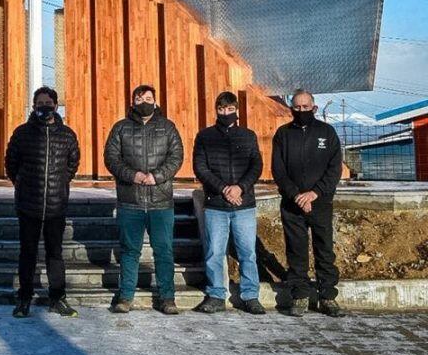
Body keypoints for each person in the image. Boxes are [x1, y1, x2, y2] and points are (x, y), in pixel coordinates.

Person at [103, 84, 184, 315]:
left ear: (156, 102)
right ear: (132, 102)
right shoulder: (121, 128)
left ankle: (167, 297)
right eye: (139, 99)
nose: (144, 102)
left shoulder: (168, 127)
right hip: (131, 201)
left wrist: (156, 176)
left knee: (164, 251)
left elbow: (177, 156)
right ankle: (125, 296)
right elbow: (111, 158)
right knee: (130, 251)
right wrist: (134, 175)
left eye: (148, 98)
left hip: (161, 201)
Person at [5, 86, 81, 318]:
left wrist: (59, 184)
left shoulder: (67, 135)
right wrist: (22, 184)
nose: (44, 107)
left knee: (54, 254)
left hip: (56, 205)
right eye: (40, 104)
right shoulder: (22, 133)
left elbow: (72, 164)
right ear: (34, 106)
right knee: (27, 253)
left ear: (56, 106)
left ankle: (57, 297)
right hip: (29, 204)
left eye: (48, 103)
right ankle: (24, 298)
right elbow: (11, 163)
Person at [271, 88, 343, 317]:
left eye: (305, 107)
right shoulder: (282, 134)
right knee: (296, 251)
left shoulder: (327, 133)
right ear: (291, 108)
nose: (301, 111)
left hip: (320, 203)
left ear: (314, 107)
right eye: (297, 107)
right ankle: (300, 295)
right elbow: (278, 170)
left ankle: (327, 296)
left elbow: (334, 169)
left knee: (324, 249)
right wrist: (296, 195)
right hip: (292, 205)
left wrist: (314, 194)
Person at [192, 90, 265, 315]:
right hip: (216, 204)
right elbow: (200, 167)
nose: (226, 113)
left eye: (230, 109)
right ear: (216, 110)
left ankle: (250, 296)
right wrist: (223, 188)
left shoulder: (248, 135)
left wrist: (239, 187)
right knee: (215, 252)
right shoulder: (205, 136)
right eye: (222, 109)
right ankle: (216, 294)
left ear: (236, 111)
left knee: (247, 252)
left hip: (243, 204)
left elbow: (256, 166)